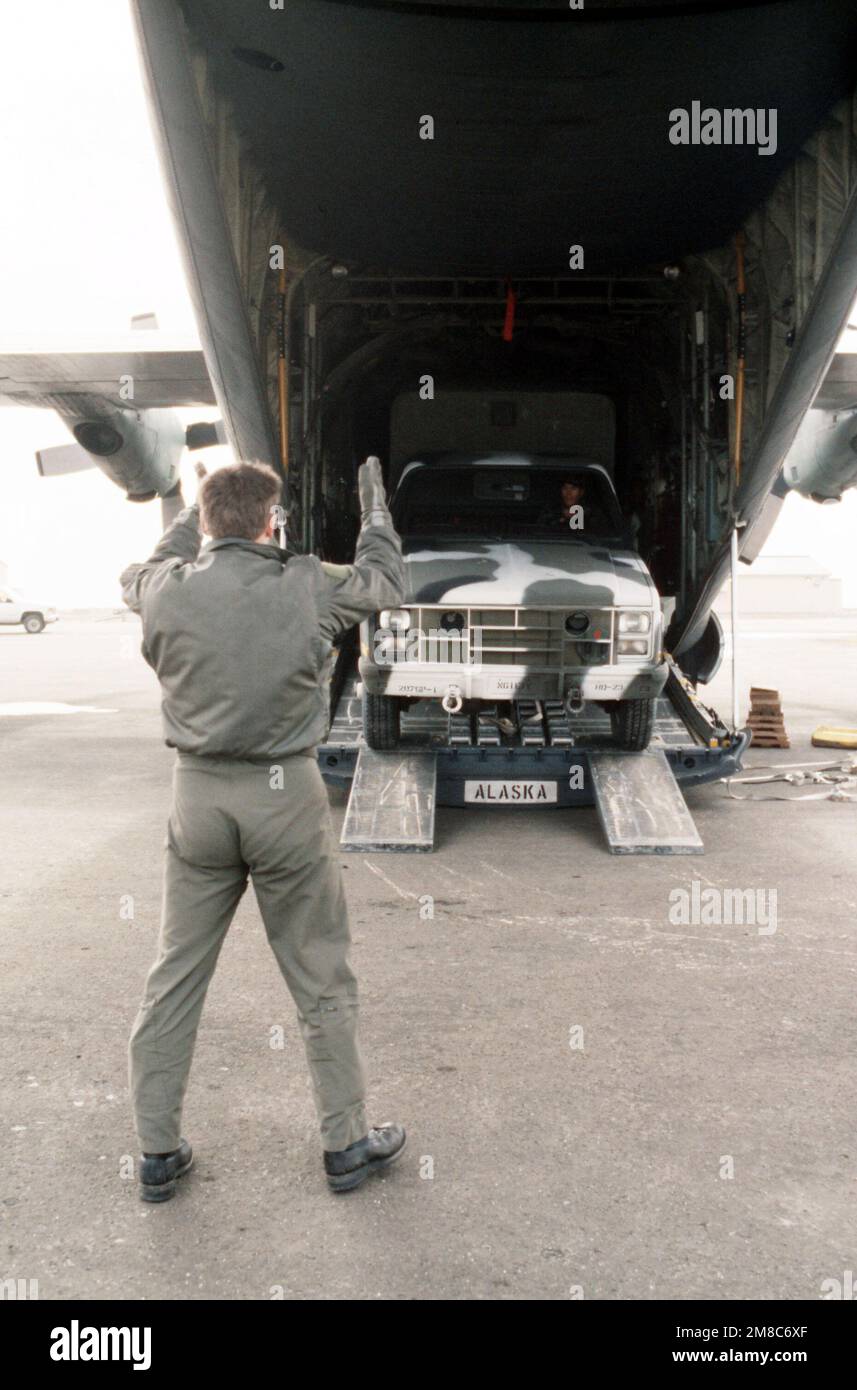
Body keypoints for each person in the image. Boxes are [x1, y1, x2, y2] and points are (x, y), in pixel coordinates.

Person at [119, 456, 407, 1199]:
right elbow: (385, 584)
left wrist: (190, 509)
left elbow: (151, 564)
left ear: (209, 525)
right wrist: (375, 511)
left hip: (198, 798)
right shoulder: (306, 584)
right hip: (285, 795)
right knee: (319, 977)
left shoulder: (163, 588)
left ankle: (156, 1154)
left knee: (174, 976)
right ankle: (345, 1144)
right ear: (270, 523)